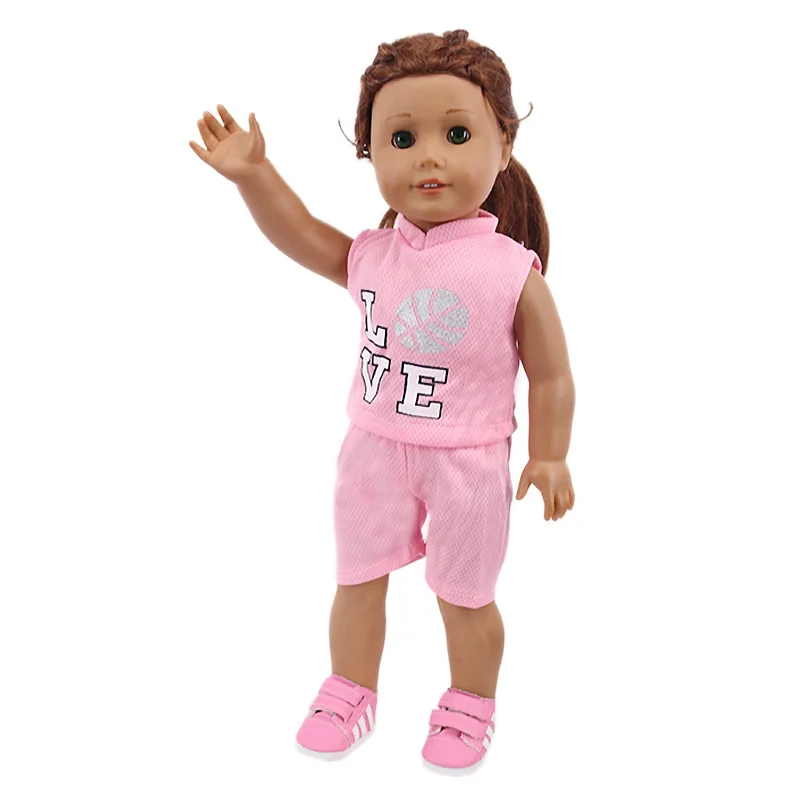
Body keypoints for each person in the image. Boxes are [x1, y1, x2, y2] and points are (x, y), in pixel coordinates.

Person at [189, 28, 575, 772]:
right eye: (401, 138)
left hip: (467, 459)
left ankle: (469, 706)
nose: (428, 157)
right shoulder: (374, 253)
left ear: (503, 142)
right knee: (356, 579)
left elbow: (552, 373)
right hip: (370, 449)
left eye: (457, 134)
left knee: (465, 596)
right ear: (370, 151)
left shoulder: (510, 271)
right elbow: (301, 234)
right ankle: (349, 689)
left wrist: (550, 453)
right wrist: (254, 176)